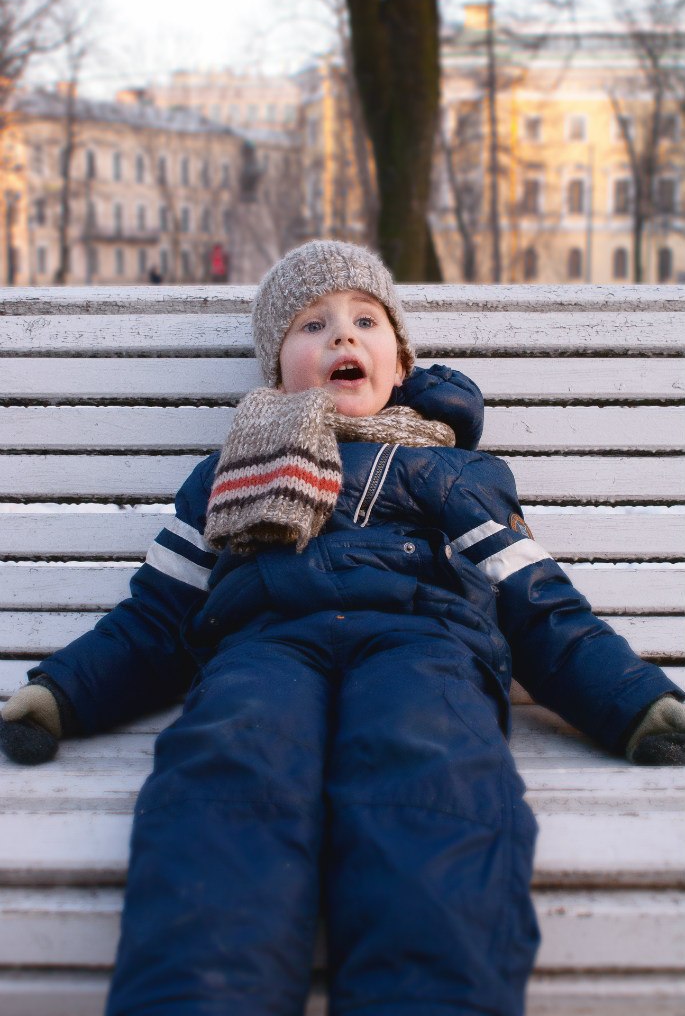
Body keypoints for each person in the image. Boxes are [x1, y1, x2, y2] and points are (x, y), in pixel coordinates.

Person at [1, 240, 684, 1016]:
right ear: (276, 371)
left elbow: (535, 602)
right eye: (311, 325)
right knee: (227, 768)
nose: (341, 336)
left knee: (428, 767)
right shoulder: (229, 476)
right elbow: (158, 616)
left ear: (399, 364)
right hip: (263, 653)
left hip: (421, 647)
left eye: (365, 320)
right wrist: (62, 692)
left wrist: (630, 700)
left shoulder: (449, 473)